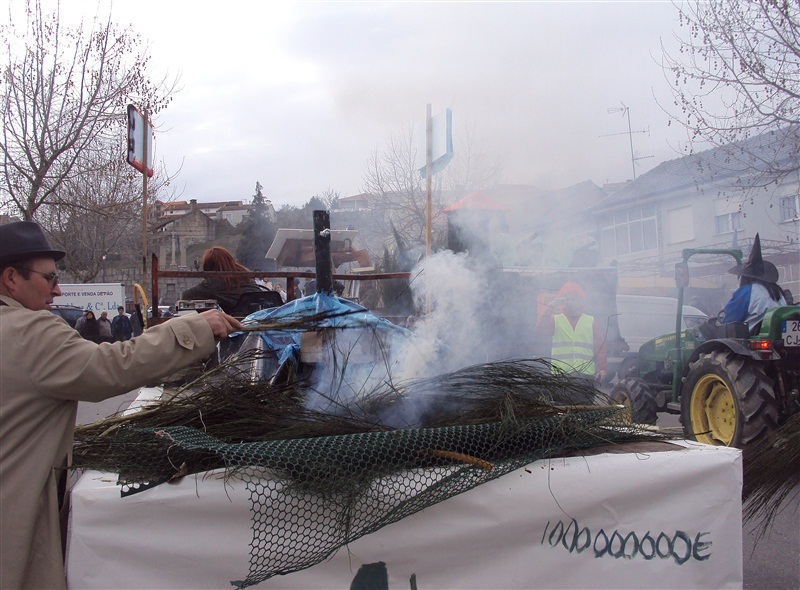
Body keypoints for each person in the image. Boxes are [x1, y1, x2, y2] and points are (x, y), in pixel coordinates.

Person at [0, 221, 242, 589]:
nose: (58, 288)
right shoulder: (27, 332)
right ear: (10, 278)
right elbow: (110, 367)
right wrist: (195, 329)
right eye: (49, 279)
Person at [539, 281, 608, 385]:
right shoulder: (555, 320)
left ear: (581, 301)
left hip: (585, 376)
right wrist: (549, 309)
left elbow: (599, 346)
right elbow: (541, 332)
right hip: (561, 376)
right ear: (562, 301)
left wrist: (602, 368)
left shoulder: (591, 321)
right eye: (567, 299)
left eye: (574, 299)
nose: (570, 302)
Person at [722, 233, 787, 332]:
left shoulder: (747, 291)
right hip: (778, 336)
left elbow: (731, 318)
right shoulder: (778, 292)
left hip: (752, 337)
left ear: (745, 277)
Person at [180, 246, 267, 315]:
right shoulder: (245, 273)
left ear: (209, 267)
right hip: (261, 316)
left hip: (239, 324)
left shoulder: (214, 282)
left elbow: (186, 296)